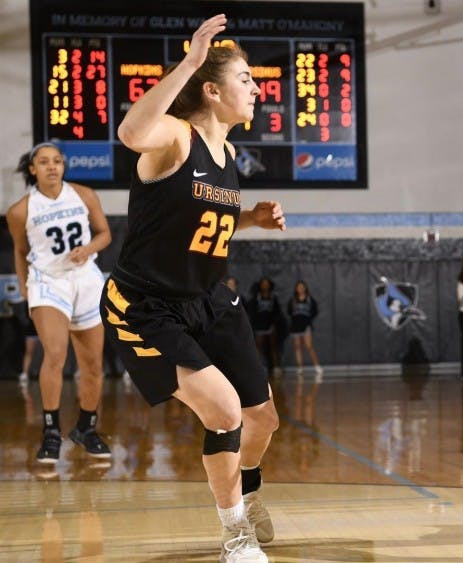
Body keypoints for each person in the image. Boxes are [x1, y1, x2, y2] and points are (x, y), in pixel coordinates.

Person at [101, 15, 285, 562]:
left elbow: (202, 217)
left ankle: (247, 492)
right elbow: (131, 134)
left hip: (208, 298)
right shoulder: (176, 138)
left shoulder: (227, 156)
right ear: (211, 88)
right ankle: (236, 535)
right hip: (146, 306)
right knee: (225, 414)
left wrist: (251, 217)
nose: (257, 88)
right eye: (247, 78)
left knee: (264, 417)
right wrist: (188, 59)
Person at [6, 142, 112, 464]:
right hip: (48, 281)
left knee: (93, 364)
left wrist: (89, 248)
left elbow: (105, 234)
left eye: (57, 161)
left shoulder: (84, 194)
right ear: (33, 169)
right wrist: (25, 286)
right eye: (44, 162)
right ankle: (51, 432)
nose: (52, 166)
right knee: (54, 353)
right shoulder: (20, 210)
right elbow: (20, 250)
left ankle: (86, 428)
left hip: (85, 279)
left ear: (64, 166)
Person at [248, 277, 283, 377]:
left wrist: (274, 323)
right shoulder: (256, 297)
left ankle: (276, 367)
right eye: (263, 283)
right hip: (259, 325)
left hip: (270, 325)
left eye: (267, 283)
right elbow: (252, 311)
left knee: (273, 347)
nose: (265, 285)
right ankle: (260, 367)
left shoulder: (273, 297)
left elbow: (277, 312)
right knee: (259, 348)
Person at [287, 280, 322, 376]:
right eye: (298, 287)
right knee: (297, 347)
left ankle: (317, 366)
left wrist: (308, 320)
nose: (300, 289)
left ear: (305, 288)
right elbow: (289, 311)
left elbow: (314, 311)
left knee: (309, 346)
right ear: (296, 289)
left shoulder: (310, 299)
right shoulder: (293, 300)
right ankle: (300, 368)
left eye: (302, 287)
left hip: (306, 325)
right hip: (295, 326)